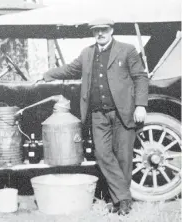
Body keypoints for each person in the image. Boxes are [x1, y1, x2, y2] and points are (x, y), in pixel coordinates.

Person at [40, 18, 149, 215]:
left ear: (111, 30)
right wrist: (48, 74)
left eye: (104, 30)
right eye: (96, 30)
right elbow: (70, 69)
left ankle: (119, 203)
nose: (100, 34)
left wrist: (140, 105)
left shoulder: (127, 50)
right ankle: (123, 197)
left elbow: (140, 77)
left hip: (123, 112)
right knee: (102, 155)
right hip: (98, 115)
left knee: (123, 157)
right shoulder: (87, 53)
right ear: (93, 33)